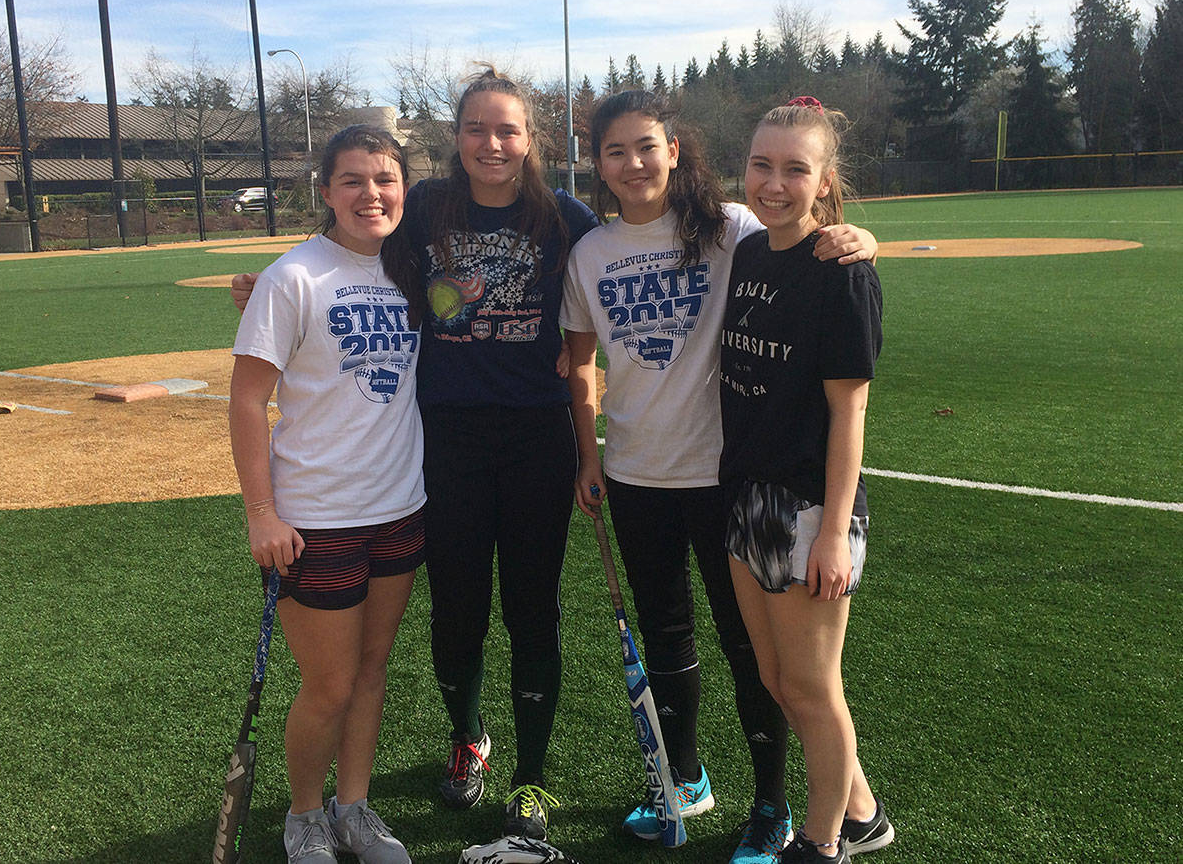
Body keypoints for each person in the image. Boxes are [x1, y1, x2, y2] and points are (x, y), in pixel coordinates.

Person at [235, 66, 598, 842]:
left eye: (507, 130)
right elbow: (346, 244)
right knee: (457, 613)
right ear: (455, 136)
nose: (491, 143)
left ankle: (531, 778)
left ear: (530, 139)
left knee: (535, 612)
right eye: (475, 128)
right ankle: (468, 742)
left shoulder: (564, 215)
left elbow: (650, 235)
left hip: (538, 440)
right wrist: (263, 285)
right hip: (447, 446)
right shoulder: (424, 205)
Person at [560, 90, 877, 864]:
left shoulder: (731, 229)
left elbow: (812, 244)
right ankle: (685, 779)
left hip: (727, 479)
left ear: (675, 150)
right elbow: (578, 361)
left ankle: (773, 806)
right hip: (637, 475)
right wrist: (589, 456)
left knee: (756, 658)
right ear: (596, 164)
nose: (632, 164)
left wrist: (861, 238)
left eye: (647, 147)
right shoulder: (590, 253)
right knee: (670, 641)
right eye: (614, 151)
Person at [230, 125, 426, 864]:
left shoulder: (409, 271)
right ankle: (305, 817)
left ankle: (355, 809)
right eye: (353, 180)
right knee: (329, 685)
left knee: (372, 672)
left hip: (400, 507)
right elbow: (248, 401)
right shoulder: (294, 276)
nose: (371, 194)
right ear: (325, 192)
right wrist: (262, 513)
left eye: (385, 179)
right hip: (315, 518)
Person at [720, 97, 894, 864]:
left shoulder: (842, 273)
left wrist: (831, 531)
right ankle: (863, 810)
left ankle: (823, 842)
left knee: (815, 691)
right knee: (776, 679)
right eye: (763, 165)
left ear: (825, 182)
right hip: (745, 497)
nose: (776, 183)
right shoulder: (749, 253)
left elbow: (849, 412)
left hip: (809, 510)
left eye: (796, 169)